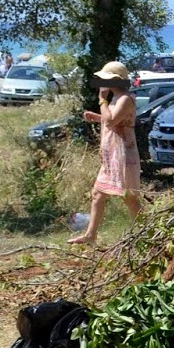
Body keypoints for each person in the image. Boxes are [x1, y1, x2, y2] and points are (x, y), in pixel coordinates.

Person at [68, 61, 141, 245]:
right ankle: (90, 236)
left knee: (130, 198)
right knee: (98, 193)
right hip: (112, 157)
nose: (102, 82)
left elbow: (111, 121)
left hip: (124, 156)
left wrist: (102, 99)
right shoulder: (118, 98)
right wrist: (98, 117)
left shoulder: (125, 98)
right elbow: (114, 120)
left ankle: (145, 234)